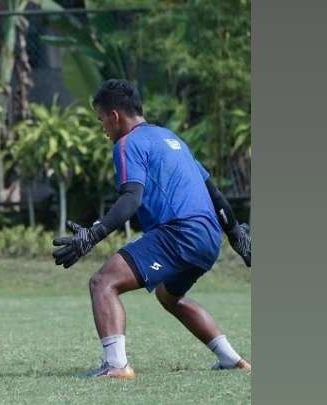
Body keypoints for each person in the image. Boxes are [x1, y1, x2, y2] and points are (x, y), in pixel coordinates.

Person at [52, 79, 252, 379]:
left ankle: (116, 366)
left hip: (179, 233)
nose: (103, 127)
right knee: (169, 297)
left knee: (103, 283)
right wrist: (237, 236)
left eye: (101, 119)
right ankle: (231, 359)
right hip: (209, 238)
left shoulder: (127, 143)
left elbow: (131, 198)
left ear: (115, 115)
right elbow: (217, 196)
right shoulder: (171, 138)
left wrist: (92, 236)